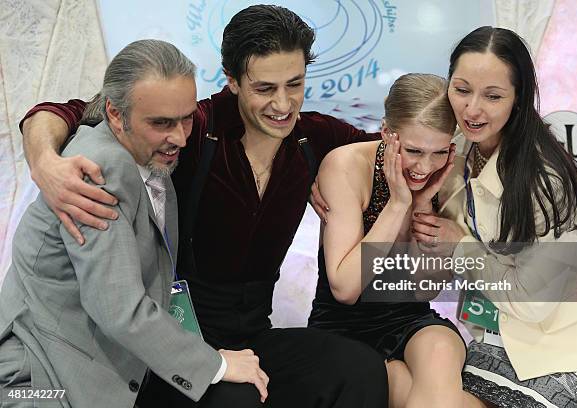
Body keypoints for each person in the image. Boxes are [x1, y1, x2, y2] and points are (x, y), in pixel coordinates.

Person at [17, 5, 388, 408]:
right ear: (232, 80)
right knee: (238, 399)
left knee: (361, 369)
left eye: (295, 84)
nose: (283, 104)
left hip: (254, 334)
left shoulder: (312, 138)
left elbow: (401, 152)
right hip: (174, 334)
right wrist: (44, 161)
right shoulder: (189, 129)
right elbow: (71, 112)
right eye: (265, 88)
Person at [0, 39, 269, 408]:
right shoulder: (100, 169)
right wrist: (217, 364)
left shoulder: (146, 154)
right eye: (161, 123)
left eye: (187, 118)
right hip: (37, 380)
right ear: (114, 114)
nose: (180, 137)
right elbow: (118, 308)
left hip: (102, 364)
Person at [409, 26, 577, 407]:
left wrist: (459, 246)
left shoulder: (545, 179)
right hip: (488, 335)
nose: (472, 109)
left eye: (493, 96)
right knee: (402, 383)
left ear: (518, 99)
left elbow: (533, 304)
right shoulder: (453, 151)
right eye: (462, 89)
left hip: (557, 350)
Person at [308, 73, 467, 407]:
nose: (425, 166)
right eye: (413, 150)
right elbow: (345, 289)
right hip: (340, 327)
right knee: (401, 383)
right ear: (386, 133)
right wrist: (398, 205)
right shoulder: (347, 166)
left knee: (441, 350)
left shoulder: (450, 174)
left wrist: (423, 208)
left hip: (411, 319)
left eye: (439, 152)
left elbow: (425, 290)